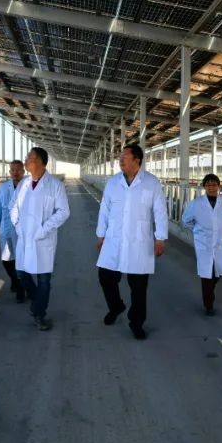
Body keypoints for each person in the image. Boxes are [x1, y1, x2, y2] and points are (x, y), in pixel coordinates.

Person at [96, 144, 167, 340]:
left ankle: (136, 323)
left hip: (139, 241)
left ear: (137, 160)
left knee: (138, 287)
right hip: (114, 239)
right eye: (120, 157)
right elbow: (104, 210)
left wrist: (160, 237)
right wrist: (101, 235)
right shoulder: (113, 182)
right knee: (105, 277)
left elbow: (160, 211)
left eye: (125, 157)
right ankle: (116, 306)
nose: (121, 159)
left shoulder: (151, 182)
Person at [10, 147, 70, 331]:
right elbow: (13, 206)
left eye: (30, 157)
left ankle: (39, 314)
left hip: (43, 239)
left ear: (40, 161)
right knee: (21, 273)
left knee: (44, 279)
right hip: (24, 236)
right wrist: (17, 225)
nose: (26, 159)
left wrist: (44, 229)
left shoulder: (55, 185)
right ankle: (37, 301)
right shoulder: (23, 184)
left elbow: (63, 212)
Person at [181, 173, 222, 316]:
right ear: (204, 186)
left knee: (219, 271)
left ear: (218, 186)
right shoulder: (196, 203)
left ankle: (209, 293)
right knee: (207, 275)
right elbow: (185, 220)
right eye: (208, 185)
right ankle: (209, 304)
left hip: (220, 243)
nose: (211, 188)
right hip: (204, 244)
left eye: (214, 185)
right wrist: (198, 231)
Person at [0, 159, 27, 303]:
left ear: (23, 171)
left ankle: (21, 288)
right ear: (9, 172)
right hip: (6, 228)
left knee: (22, 260)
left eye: (18, 170)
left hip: (24, 229)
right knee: (6, 259)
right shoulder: (3, 188)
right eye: (13, 170)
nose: (15, 172)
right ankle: (15, 280)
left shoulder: (29, 186)